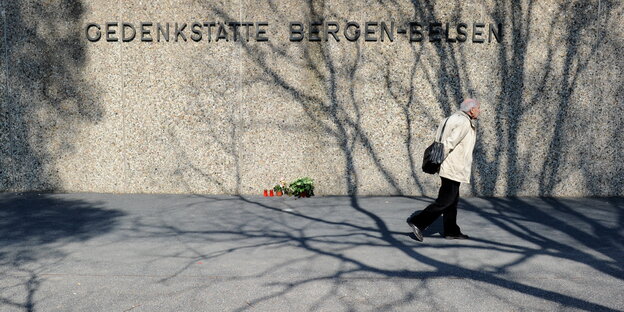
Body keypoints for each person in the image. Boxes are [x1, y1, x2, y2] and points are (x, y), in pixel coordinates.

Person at [407, 99, 480, 242]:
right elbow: (449, 143)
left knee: (452, 200)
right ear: (471, 110)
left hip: (447, 165)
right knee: (446, 201)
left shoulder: (450, 118)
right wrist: (438, 160)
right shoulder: (464, 122)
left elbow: (439, 140)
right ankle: (418, 222)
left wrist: (437, 161)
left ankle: (451, 231)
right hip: (453, 166)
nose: (479, 111)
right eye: (478, 108)